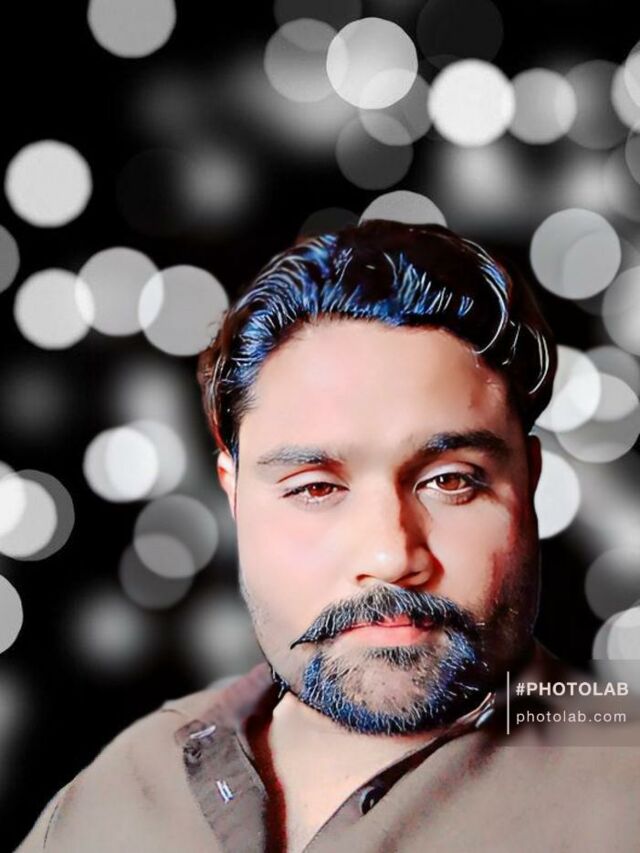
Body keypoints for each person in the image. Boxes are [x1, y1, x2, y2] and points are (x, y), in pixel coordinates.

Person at [16, 221, 640, 853]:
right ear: (235, 497)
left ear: (528, 482)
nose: (390, 556)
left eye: (450, 481)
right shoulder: (119, 793)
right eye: (315, 488)